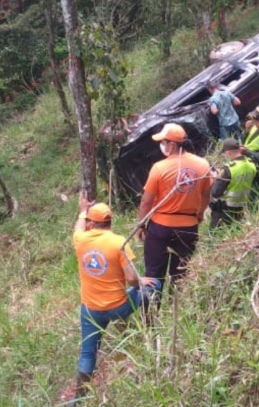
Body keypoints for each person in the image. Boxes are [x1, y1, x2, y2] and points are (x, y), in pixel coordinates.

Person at [69, 191, 161, 400]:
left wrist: (83, 211)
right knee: (155, 284)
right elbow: (131, 279)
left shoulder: (81, 240)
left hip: (91, 310)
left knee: (87, 355)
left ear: (91, 224)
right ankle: (148, 326)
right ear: (109, 222)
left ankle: (77, 400)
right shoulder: (118, 242)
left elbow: (78, 228)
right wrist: (142, 281)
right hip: (118, 306)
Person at [137, 123, 211, 285]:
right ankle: (175, 306)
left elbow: (146, 201)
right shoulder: (202, 165)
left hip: (160, 228)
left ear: (172, 145)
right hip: (188, 227)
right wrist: (199, 213)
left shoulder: (159, 168)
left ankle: (151, 309)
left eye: (163, 142)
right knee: (180, 274)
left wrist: (141, 224)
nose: (161, 145)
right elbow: (206, 194)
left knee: (154, 274)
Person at [209, 138, 257, 229]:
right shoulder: (251, 164)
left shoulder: (228, 169)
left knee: (215, 235)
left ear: (228, 152)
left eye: (224, 154)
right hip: (240, 208)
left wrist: (215, 178)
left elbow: (215, 192)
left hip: (223, 210)